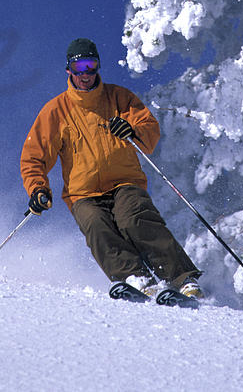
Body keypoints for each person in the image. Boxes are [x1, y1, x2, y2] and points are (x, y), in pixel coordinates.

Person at [20, 37, 203, 298]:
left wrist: (133, 130)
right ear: (69, 70)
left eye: (91, 65)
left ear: (98, 66)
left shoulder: (119, 98)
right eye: (79, 67)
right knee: (96, 224)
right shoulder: (55, 111)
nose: (85, 74)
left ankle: (181, 279)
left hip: (124, 182)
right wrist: (38, 188)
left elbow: (149, 129)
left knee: (134, 217)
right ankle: (135, 278)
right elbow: (33, 157)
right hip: (82, 194)